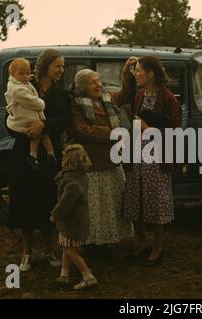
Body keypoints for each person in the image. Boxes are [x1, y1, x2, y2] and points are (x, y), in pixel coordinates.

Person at [7, 49, 71, 271]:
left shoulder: (60, 94)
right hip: (25, 150)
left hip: (49, 155)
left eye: (63, 67)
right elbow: (12, 118)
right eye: (58, 66)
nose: (61, 71)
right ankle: (26, 252)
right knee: (24, 200)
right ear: (45, 66)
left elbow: (64, 120)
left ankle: (48, 250)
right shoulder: (21, 87)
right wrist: (25, 131)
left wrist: (44, 126)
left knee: (48, 201)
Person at [66, 58, 137, 252]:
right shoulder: (76, 104)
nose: (98, 84)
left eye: (99, 81)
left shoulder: (107, 99)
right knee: (93, 209)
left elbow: (125, 94)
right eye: (92, 82)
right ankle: (91, 245)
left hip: (111, 162)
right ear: (82, 87)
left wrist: (127, 72)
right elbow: (82, 130)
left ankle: (106, 242)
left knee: (110, 207)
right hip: (92, 166)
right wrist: (114, 133)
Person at [123, 56, 182, 266]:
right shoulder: (139, 95)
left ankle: (158, 248)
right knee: (135, 199)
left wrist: (151, 129)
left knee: (156, 203)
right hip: (137, 155)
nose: (135, 74)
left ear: (151, 74)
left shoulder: (168, 98)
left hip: (156, 158)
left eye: (139, 70)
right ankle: (143, 243)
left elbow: (176, 131)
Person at [51, 144, 97, 290]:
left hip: (72, 223)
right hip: (76, 222)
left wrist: (54, 214)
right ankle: (64, 275)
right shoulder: (81, 176)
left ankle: (88, 276)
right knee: (67, 249)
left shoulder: (72, 183)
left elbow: (66, 203)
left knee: (70, 251)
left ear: (68, 161)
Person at [5, 58, 55, 171]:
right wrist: (41, 103)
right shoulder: (17, 89)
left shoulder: (25, 84)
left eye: (28, 73)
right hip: (26, 120)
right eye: (21, 74)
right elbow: (32, 101)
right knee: (37, 136)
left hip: (36, 119)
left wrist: (44, 124)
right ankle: (36, 155)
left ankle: (50, 154)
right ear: (12, 74)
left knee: (43, 136)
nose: (25, 76)